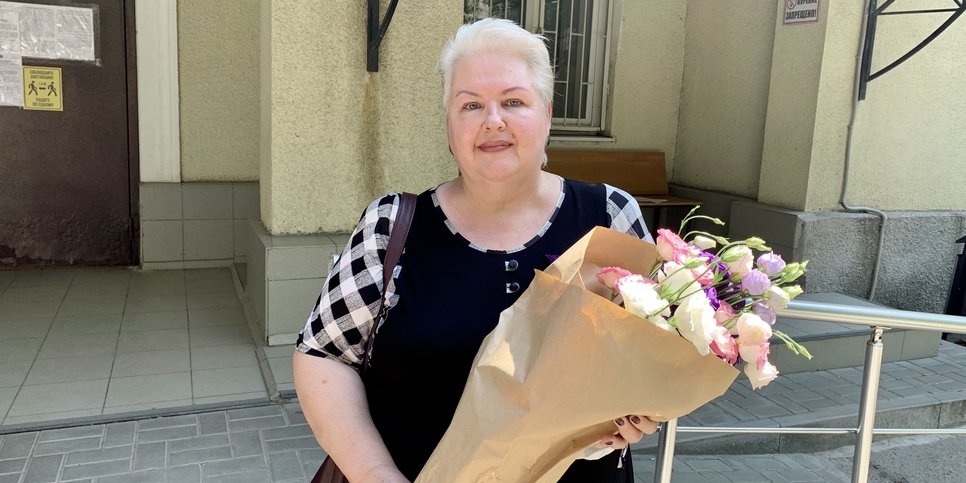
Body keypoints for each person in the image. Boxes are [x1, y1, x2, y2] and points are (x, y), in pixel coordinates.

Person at [294, 18, 658, 483]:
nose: (493, 120)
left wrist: (644, 408)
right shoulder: (393, 226)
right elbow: (323, 356)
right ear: (449, 126)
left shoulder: (609, 215)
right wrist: (374, 473)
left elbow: (649, 352)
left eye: (513, 101)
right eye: (470, 105)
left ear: (546, 114)